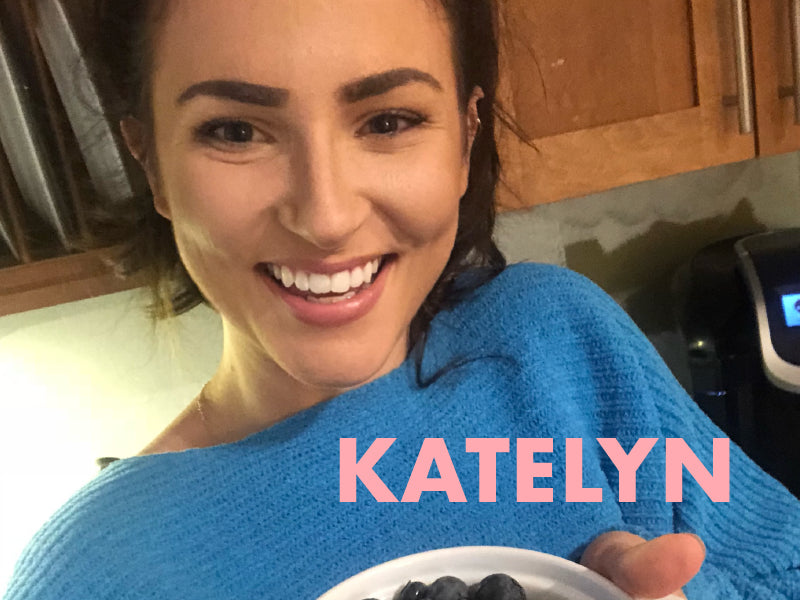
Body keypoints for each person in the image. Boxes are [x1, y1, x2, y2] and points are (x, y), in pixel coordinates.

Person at [4, 1, 799, 598]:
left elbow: (782, 564)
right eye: (236, 132)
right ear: (153, 166)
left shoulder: (559, 342)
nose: (325, 216)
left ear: (464, 136)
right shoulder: (91, 573)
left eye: (388, 119)